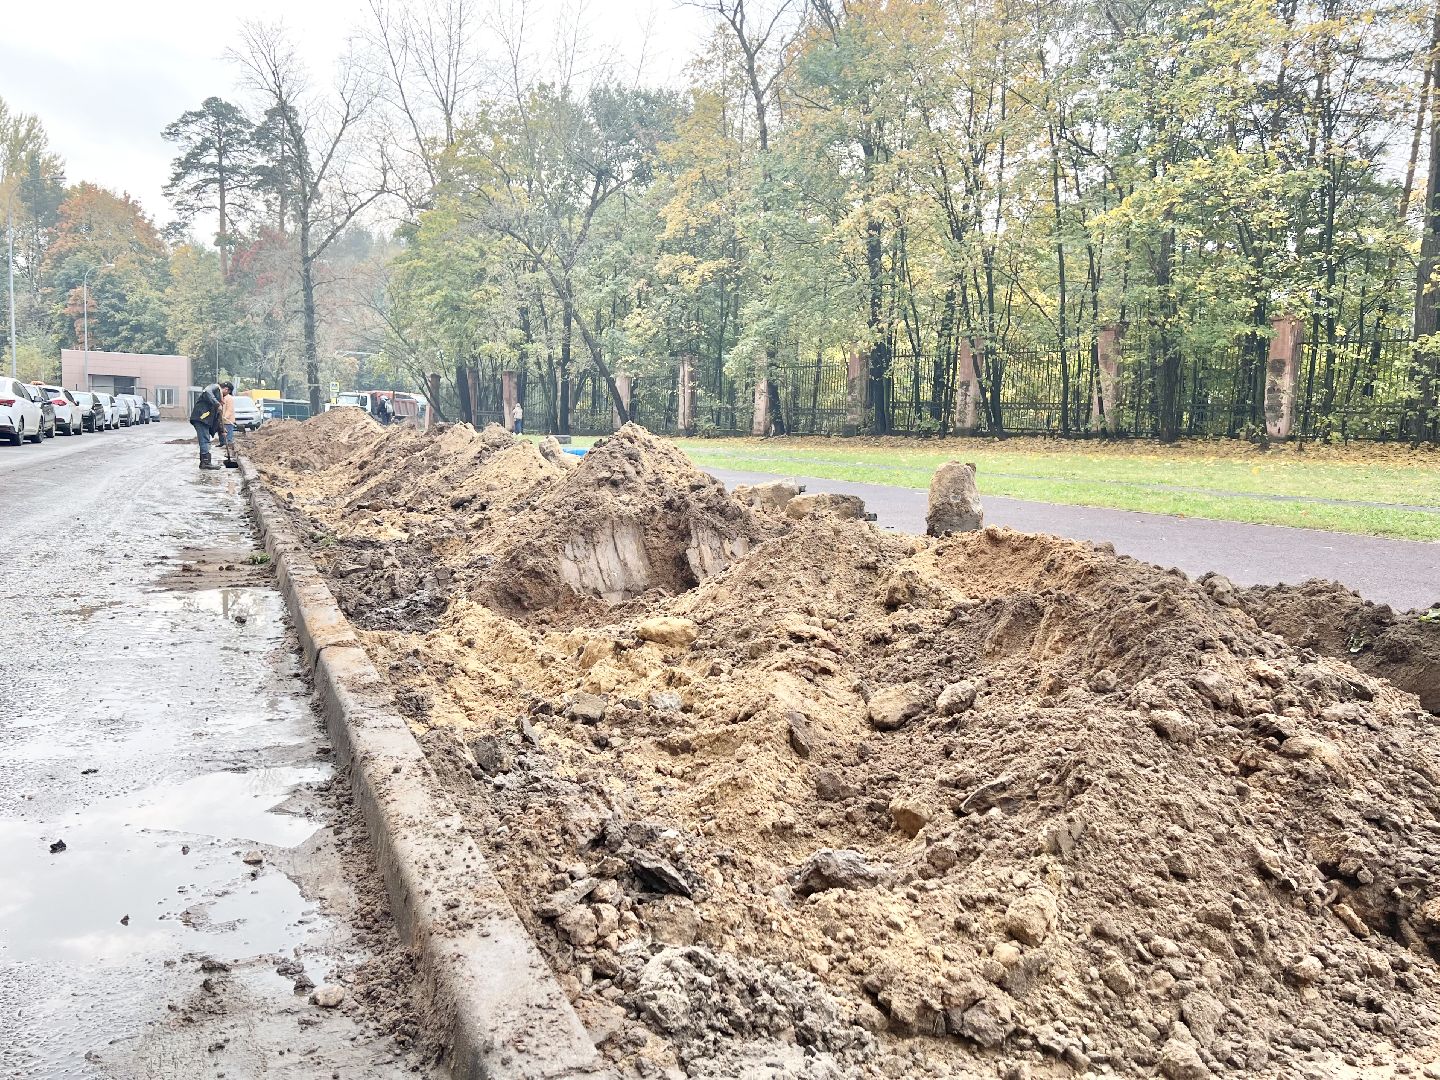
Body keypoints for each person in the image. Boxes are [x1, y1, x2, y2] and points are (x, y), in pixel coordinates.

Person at [189, 383, 224, 470]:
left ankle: (204, 463)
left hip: (203, 419)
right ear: (226, 389)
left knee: (205, 439)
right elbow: (207, 391)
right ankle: (206, 462)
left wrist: (221, 429)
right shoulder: (215, 387)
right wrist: (217, 404)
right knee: (205, 440)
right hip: (201, 418)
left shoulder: (214, 400)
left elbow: (216, 418)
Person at [219, 382, 236, 455]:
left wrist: (225, 417)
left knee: (228, 435)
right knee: (222, 434)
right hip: (222, 420)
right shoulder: (221, 397)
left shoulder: (229, 398)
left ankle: (229, 447)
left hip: (228, 421)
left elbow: (229, 410)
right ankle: (222, 444)